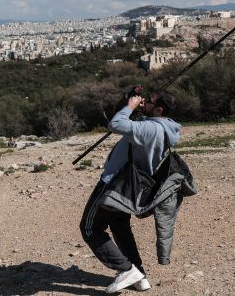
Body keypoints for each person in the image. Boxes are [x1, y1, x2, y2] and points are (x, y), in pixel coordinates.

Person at [80, 89, 194, 293]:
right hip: (129, 187)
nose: (144, 103)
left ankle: (126, 269)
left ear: (158, 109)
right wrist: (128, 99)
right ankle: (137, 274)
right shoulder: (163, 126)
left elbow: (115, 124)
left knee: (90, 229)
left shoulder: (150, 128)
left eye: (149, 101)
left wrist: (131, 106)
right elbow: (123, 117)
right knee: (119, 225)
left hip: (114, 184)